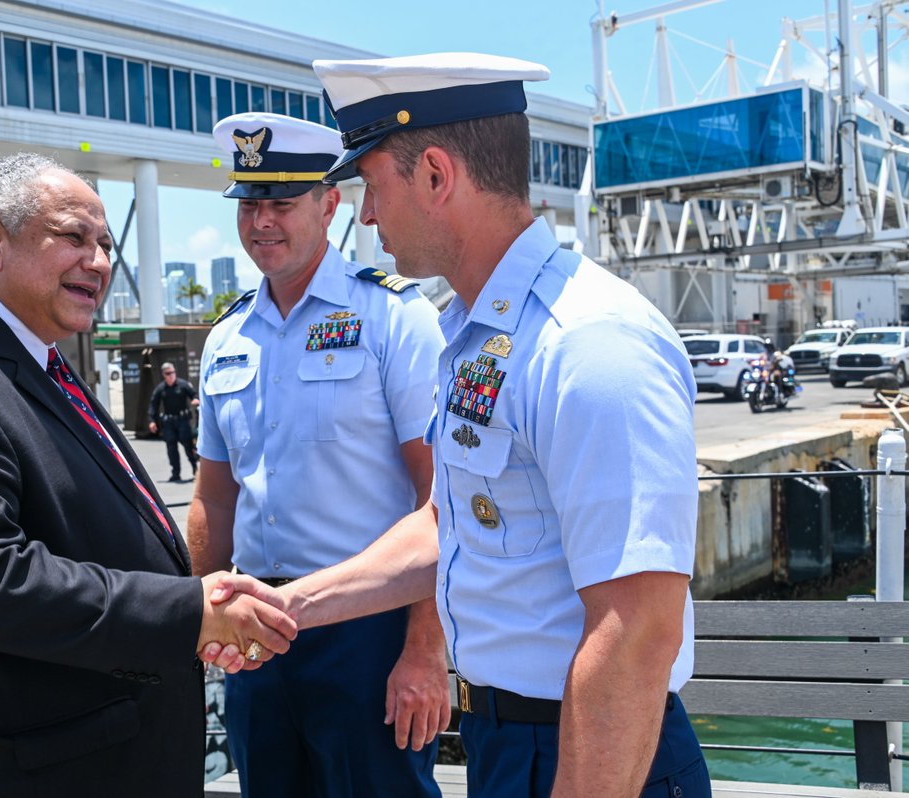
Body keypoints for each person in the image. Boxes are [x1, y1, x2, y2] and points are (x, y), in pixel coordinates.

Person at [206, 54, 710, 797]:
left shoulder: (589, 343)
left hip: (588, 748)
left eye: (373, 186)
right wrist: (289, 608)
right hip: (507, 742)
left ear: (437, 176)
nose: (367, 214)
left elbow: (636, 633)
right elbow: (448, 524)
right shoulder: (475, 335)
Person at [0, 152, 296, 797]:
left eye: (104, 244)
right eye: (72, 237)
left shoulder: (25, 357)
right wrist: (189, 611)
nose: (98, 261)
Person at [187, 112, 449, 798]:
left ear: (330, 204)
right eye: (249, 204)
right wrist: (190, 619)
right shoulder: (227, 338)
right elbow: (215, 498)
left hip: (369, 632)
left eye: (281, 202)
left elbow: (440, 499)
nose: (261, 222)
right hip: (254, 630)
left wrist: (426, 649)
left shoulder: (393, 317)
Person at [147, 361, 200, 482]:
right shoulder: (161, 389)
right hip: (169, 422)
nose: (171, 375)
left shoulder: (183, 385)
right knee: (171, 448)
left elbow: (194, 394)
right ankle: (175, 473)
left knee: (188, 446)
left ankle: (195, 468)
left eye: (173, 372)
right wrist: (151, 421)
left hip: (183, 421)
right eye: (168, 373)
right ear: (163, 375)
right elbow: (153, 405)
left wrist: (196, 400)